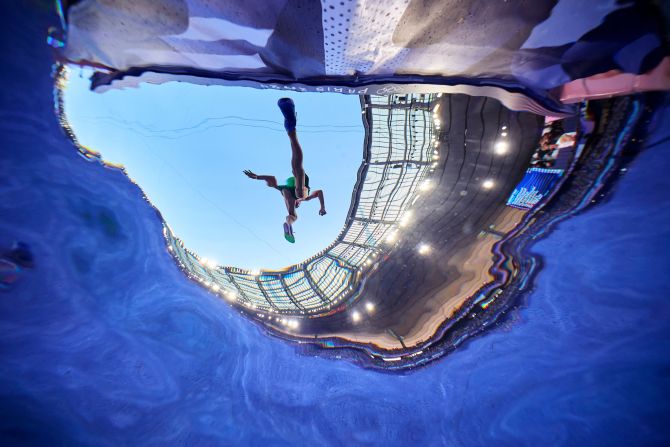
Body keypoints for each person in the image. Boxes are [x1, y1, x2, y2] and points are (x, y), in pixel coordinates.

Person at [244, 98, 326, 243]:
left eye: (297, 204)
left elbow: (271, 179)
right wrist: (322, 208)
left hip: (289, 187)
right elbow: (319, 192)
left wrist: (257, 177)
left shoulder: (287, 194)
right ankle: (292, 130)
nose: (297, 203)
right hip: (298, 183)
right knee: (298, 181)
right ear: (299, 204)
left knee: (290, 188)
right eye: (298, 204)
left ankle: (288, 224)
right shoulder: (304, 198)